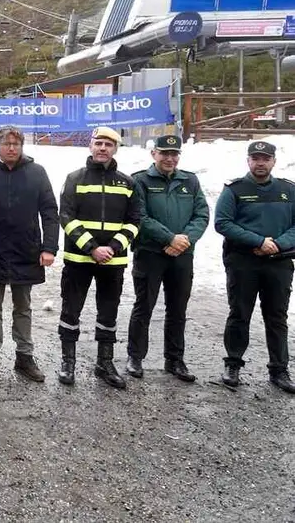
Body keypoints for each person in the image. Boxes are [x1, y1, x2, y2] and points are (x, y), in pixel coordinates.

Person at [0, 126, 59, 382]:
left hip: (26, 249)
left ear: (22, 146)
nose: (11, 148)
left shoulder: (37, 172)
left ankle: (24, 356)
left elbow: (50, 211)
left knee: (23, 306)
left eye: (16, 144)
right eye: (6, 144)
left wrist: (49, 247)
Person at [56, 127, 141, 389]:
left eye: (109, 144)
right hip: (79, 259)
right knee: (71, 310)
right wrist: (92, 247)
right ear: (91, 146)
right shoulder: (74, 178)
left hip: (112, 262)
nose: (103, 148)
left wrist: (113, 247)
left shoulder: (128, 183)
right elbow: (66, 217)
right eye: (99, 143)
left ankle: (105, 362)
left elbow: (135, 220)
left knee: (109, 313)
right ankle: (67, 362)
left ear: (116, 149)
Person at [126, 134, 209, 382]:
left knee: (178, 309)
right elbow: (140, 216)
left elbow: (202, 214)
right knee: (144, 306)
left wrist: (185, 240)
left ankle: (175, 359)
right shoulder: (139, 180)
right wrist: (169, 238)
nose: (169, 158)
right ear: (154, 154)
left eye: (174, 154)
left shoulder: (190, 181)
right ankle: (135, 357)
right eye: (164, 153)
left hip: (182, 255)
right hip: (150, 254)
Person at [214, 140, 295, 392]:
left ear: (273, 161)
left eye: (265, 158)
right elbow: (223, 223)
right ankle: (233, 365)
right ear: (248, 161)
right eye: (255, 158)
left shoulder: (288, 190)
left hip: (279, 263)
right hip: (243, 262)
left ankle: (279, 370)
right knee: (239, 314)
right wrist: (259, 241)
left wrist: (278, 244)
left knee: (277, 317)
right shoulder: (235, 189)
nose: (260, 163)